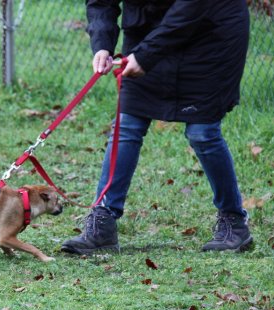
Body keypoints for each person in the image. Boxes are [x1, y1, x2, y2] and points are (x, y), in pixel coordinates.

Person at [61, 0, 253, 255]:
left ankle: (234, 222)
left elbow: (191, 7)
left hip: (211, 32)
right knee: (127, 123)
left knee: (202, 133)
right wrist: (102, 45)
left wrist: (146, 54)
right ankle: (103, 222)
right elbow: (101, 3)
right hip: (146, 30)